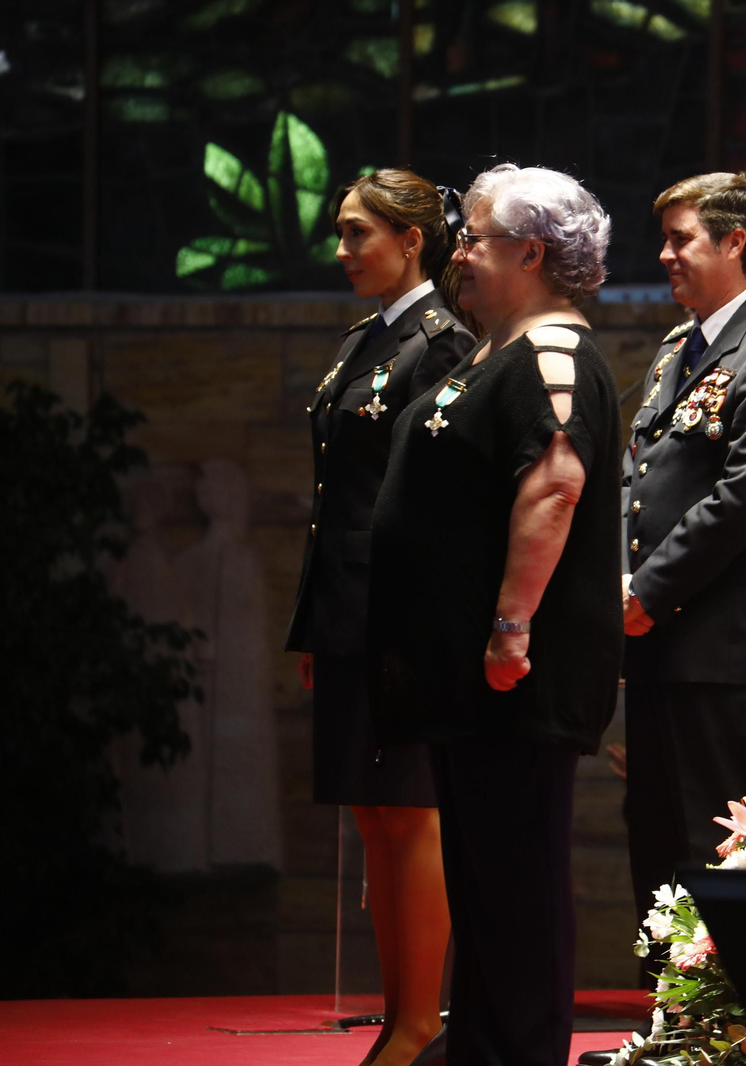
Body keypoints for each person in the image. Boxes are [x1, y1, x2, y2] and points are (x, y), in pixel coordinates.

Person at [368, 164, 621, 1066]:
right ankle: (478, 1047)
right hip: (462, 674)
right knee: (483, 882)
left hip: (511, 672)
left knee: (513, 881)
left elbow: (555, 483)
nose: (460, 253)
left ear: (531, 252)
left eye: (475, 238)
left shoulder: (553, 353)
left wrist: (511, 626)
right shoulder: (495, 347)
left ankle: (515, 1052)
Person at [285, 169, 475, 1066]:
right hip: (349, 612)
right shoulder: (369, 340)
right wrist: (311, 626)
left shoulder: (440, 344)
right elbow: (337, 499)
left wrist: (422, 625)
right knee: (373, 814)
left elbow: (437, 503)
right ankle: (397, 1014)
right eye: (342, 232)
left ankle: (419, 1025)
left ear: (411, 240)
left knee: (412, 810)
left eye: (359, 232)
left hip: (402, 615)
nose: (343, 249)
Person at [621, 173, 746, 929]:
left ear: (733, 242)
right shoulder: (680, 347)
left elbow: (743, 500)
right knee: (651, 830)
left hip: (717, 642)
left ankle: (729, 1033)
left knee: (715, 834)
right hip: (652, 639)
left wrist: (647, 589)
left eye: (682, 239)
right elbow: (637, 474)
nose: (666, 255)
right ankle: (666, 1023)